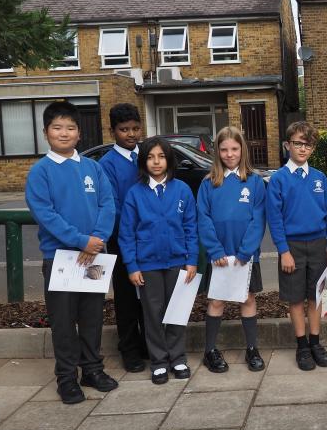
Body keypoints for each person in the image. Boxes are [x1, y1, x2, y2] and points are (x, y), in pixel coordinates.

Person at [25, 101, 118, 404]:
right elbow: (45, 214)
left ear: (79, 133)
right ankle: (67, 378)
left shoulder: (93, 168)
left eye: (70, 128)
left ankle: (92, 369)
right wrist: (81, 240)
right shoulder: (41, 172)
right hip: (61, 259)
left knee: (92, 317)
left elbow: (108, 204)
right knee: (64, 323)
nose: (64, 133)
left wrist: (98, 238)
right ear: (46, 132)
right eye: (57, 127)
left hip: (95, 255)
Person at [118, 136, 198, 384]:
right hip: (148, 265)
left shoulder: (182, 190)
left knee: (176, 312)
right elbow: (127, 233)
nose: (156, 162)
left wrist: (192, 260)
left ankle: (178, 357)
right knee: (153, 313)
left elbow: (191, 228)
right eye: (150, 157)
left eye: (161, 156)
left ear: (169, 160)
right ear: (143, 161)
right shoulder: (135, 193)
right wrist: (132, 266)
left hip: (177, 263)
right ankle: (159, 361)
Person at [266, 121, 327, 371]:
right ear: (287, 145)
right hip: (292, 248)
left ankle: (316, 343)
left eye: (308, 144)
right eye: (298, 143)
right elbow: (274, 219)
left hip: (318, 245)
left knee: (315, 296)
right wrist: (283, 251)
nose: (303, 149)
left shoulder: (319, 178)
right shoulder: (278, 180)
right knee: (296, 299)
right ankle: (302, 346)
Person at [197, 126, 268, 373]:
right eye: (224, 149)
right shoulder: (208, 183)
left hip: (245, 256)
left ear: (242, 149)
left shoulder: (255, 182)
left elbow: (258, 219)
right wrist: (215, 250)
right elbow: (203, 218)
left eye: (234, 149)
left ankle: (252, 349)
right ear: (217, 152)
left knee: (247, 298)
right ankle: (210, 351)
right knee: (216, 301)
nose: (229, 154)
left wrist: (246, 251)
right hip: (219, 257)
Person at [98, 103, 148, 373]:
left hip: (150, 241)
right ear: (113, 131)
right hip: (122, 241)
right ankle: (128, 348)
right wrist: (130, 235)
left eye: (135, 128)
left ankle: (145, 343)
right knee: (127, 297)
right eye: (124, 130)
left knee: (147, 296)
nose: (130, 134)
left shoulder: (147, 156)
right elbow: (111, 206)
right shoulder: (107, 164)